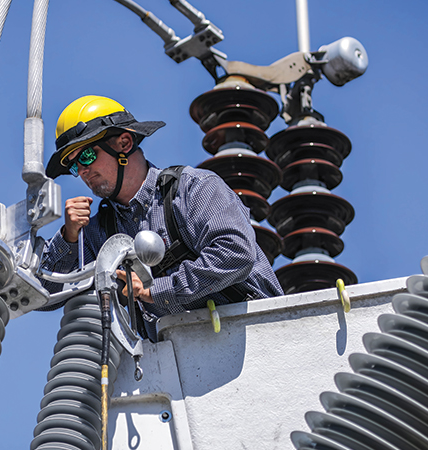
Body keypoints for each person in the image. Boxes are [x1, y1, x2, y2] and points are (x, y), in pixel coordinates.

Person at [41, 95, 283, 324]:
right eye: (73, 166)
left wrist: (156, 291)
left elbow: (235, 253)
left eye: (86, 155)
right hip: (175, 358)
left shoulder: (192, 189)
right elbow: (44, 295)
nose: (82, 171)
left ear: (124, 143)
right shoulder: (100, 232)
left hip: (253, 339)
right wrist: (69, 238)